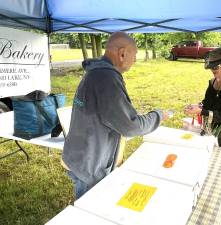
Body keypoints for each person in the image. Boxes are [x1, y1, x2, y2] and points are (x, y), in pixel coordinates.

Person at [62, 32, 169, 199]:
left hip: (80, 155)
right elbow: (131, 126)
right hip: (89, 164)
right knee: (91, 210)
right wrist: (158, 116)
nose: (134, 60)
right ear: (122, 53)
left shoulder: (97, 73)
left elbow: (111, 114)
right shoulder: (106, 78)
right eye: (134, 55)